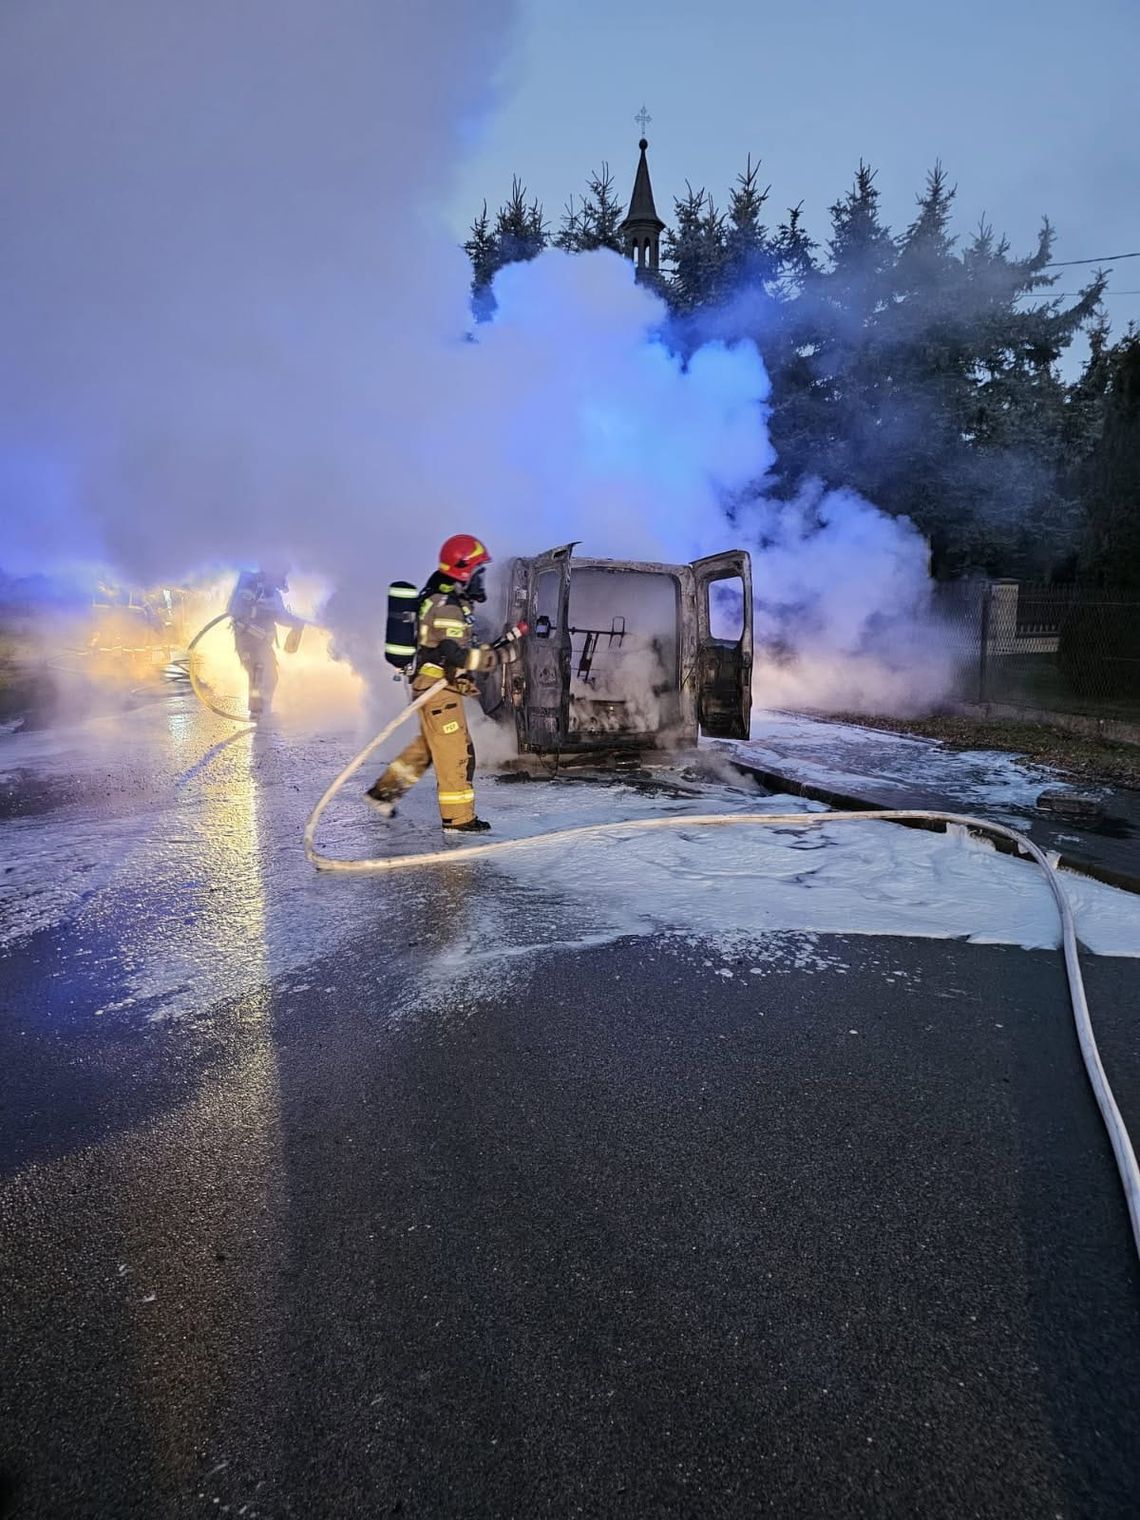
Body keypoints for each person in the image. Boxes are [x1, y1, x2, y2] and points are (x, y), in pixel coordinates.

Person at [367, 534, 519, 833]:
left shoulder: (443, 598)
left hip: (434, 688)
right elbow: (457, 655)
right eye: (478, 572)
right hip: (437, 693)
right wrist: (501, 655)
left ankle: (383, 794)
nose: (481, 579)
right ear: (463, 572)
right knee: (455, 754)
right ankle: (459, 820)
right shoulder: (447, 606)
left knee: (429, 746)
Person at [226, 566, 305, 719]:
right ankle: (259, 713)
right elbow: (236, 611)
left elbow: (281, 615)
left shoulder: (271, 593)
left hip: (260, 643)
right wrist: (256, 611)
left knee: (267, 676)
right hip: (248, 641)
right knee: (260, 675)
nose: (284, 577)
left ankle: (261, 711)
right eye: (282, 573)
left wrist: (297, 622)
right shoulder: (254, 589)